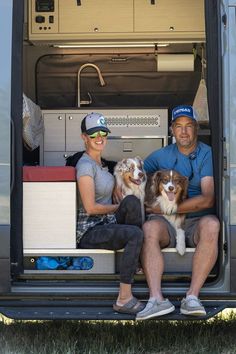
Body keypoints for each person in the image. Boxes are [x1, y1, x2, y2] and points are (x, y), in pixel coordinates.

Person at [136, 105, 220, 320]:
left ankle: (192, 297)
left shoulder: (207, 154)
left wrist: (165, 207)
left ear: (196, 129)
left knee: (212, 224)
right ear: (172, 129)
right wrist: (120, 187)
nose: (184, 132)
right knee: (148, 228)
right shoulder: (160, 156)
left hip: (196, 222)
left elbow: (207, 198)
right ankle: (156, 299)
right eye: (179, 126)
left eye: (189, 126)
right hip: (166, 224)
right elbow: (136, 176)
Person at [76, 112, 144, 314]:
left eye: (103, 133)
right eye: (94, 133)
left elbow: (116, 174)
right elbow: (90, 208)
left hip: (107, 223)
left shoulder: (103, 165)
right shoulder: (85, 166)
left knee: (133, 202)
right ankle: (124, 298)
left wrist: (116, 181)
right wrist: (118, 207)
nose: (99, 138)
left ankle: (136, 259)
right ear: (84, 137)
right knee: (135, 233)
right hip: (90, 230)